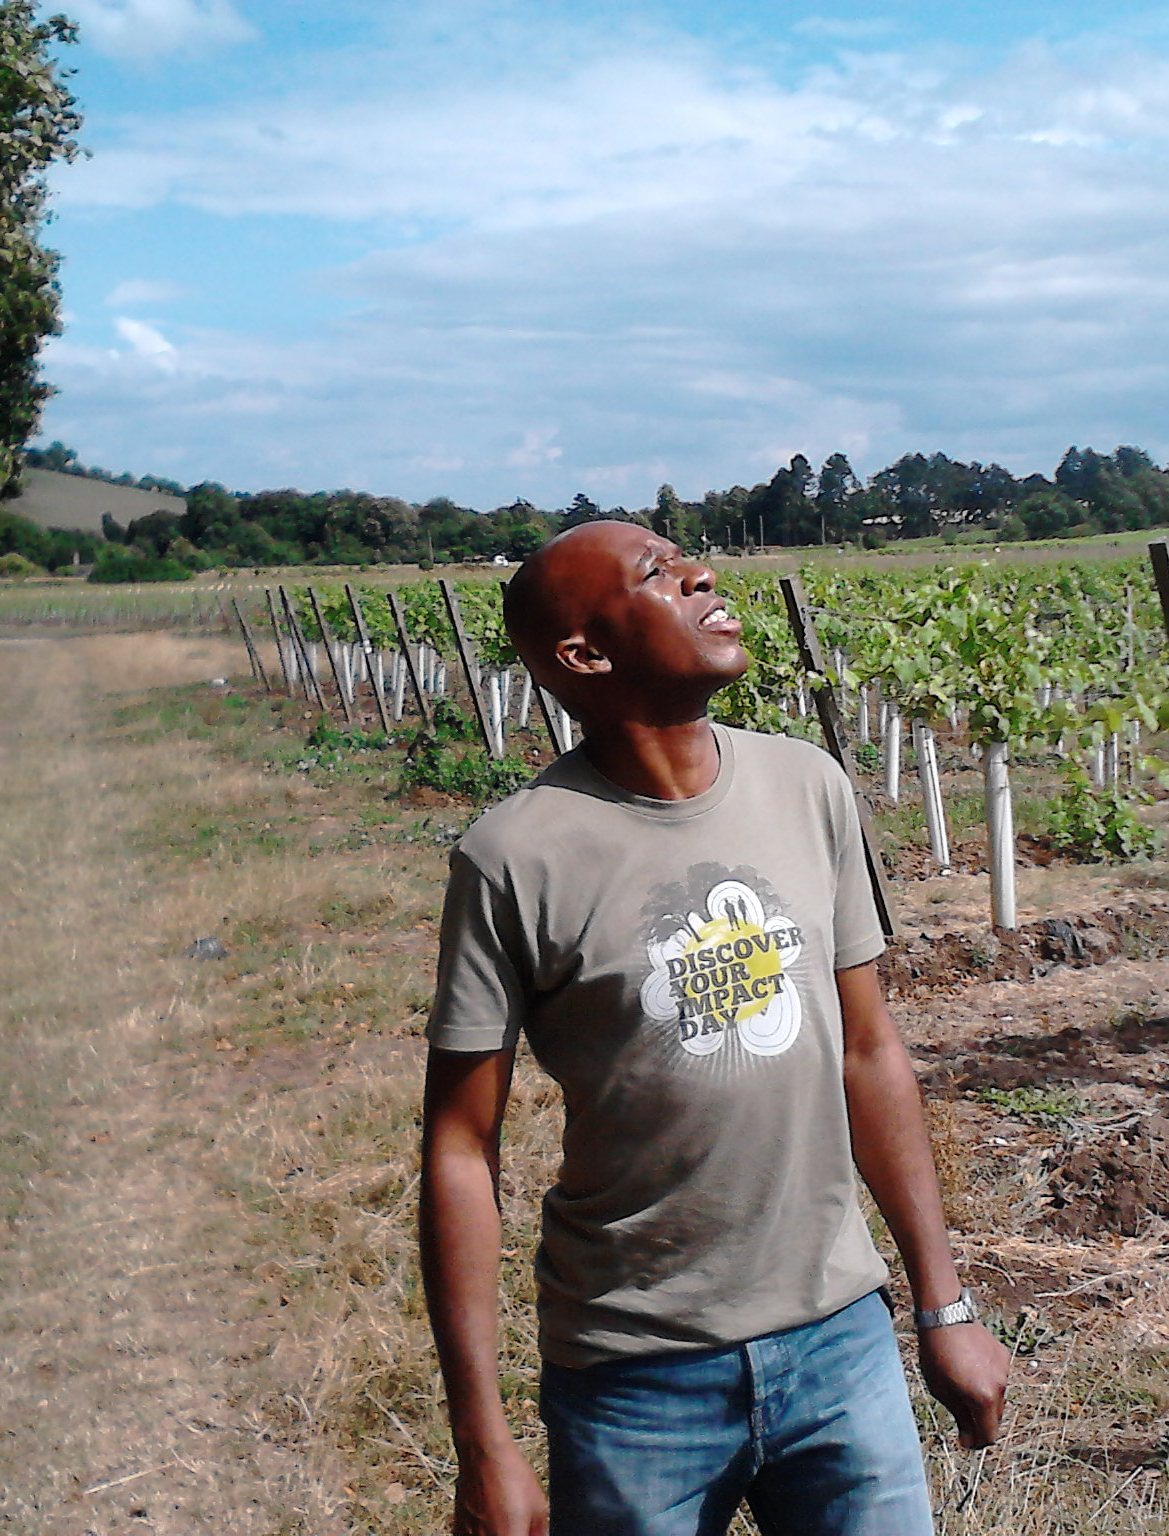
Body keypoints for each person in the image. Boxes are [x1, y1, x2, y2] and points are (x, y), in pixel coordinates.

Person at [419, 521, 1009, 1536]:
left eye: (685, 557)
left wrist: (941, 1306)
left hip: (838, 1341)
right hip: (634, 1375)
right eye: (656, 574)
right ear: (583, 654)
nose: (699, 574)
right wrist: (482, 1441)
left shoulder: (807, 786)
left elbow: (868, 1054)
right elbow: (458, 1147)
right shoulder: (512, 858)